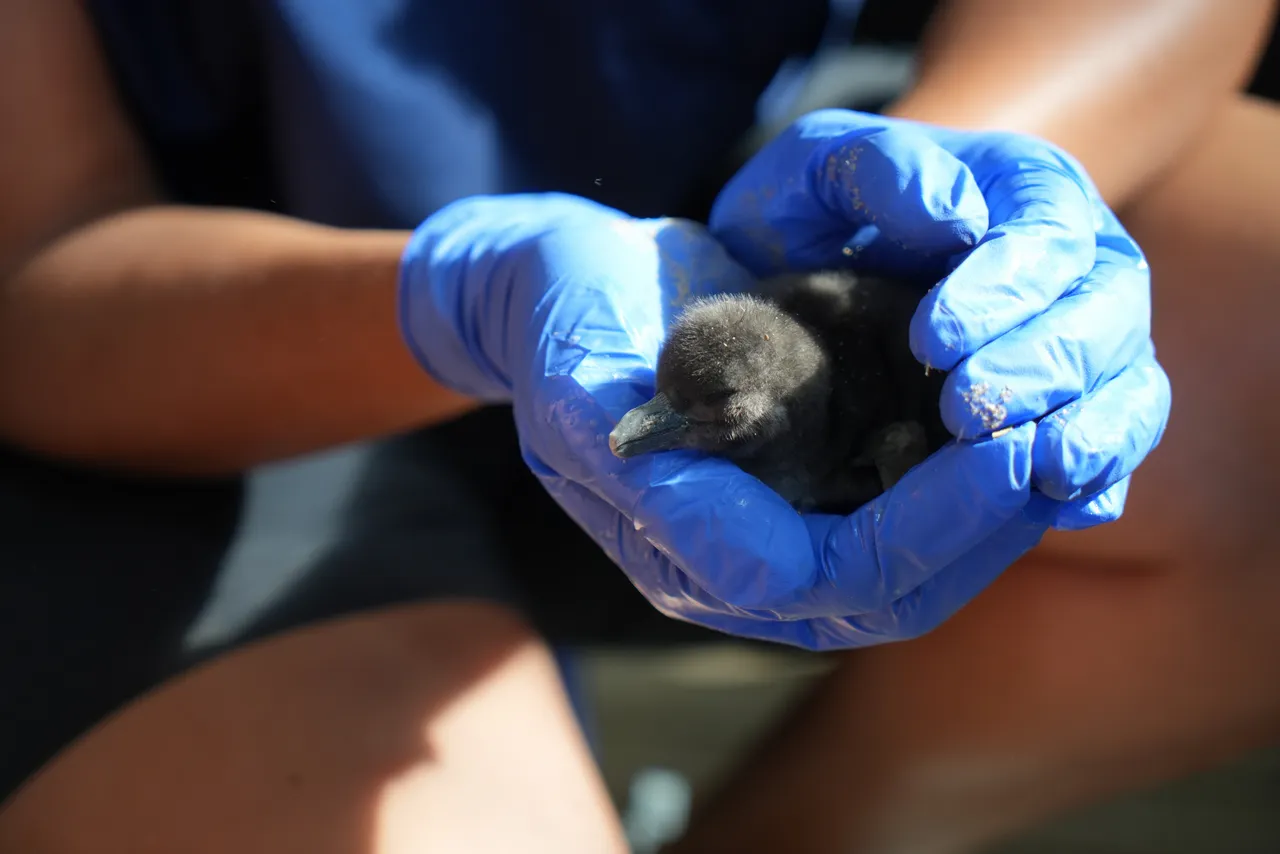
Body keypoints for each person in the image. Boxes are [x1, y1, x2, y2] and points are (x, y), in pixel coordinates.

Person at [0, 2, 1273, 853]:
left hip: (741, 220)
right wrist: (458, 297)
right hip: (191, 374)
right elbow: (31, 267)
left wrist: (971, 179)